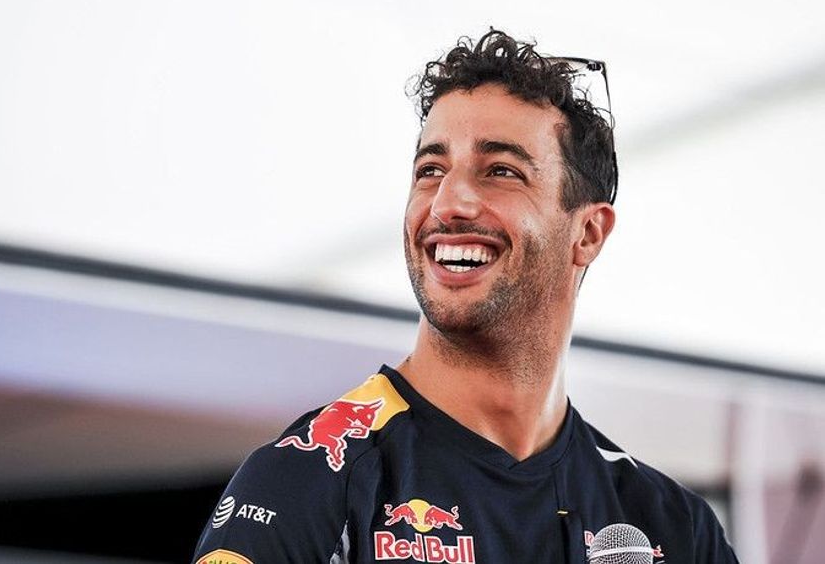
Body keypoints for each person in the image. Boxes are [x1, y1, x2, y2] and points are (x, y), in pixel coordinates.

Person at [192, 29, 739, 564]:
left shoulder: (671, 526)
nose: (448, 202)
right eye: (430, 170)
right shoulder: (308, 480)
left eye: (501, 171)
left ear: (588, 234)